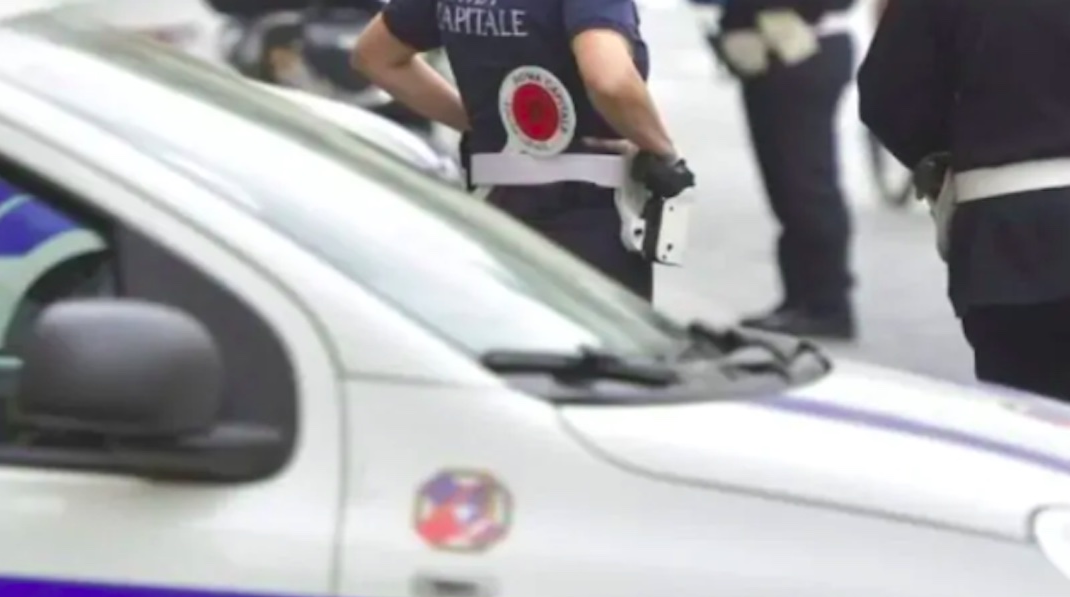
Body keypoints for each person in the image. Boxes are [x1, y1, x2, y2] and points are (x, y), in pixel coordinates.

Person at [348, 0, 693, 302]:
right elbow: (610, 79)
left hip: (493, 207)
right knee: (602, 367)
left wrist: (485, 125)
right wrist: (663, 151)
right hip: (588, 218)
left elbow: (375, 57)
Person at [859, 0, 1070, 401]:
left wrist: (956, 155)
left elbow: (887, 95)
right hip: (1007, 227)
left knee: (1026, 418)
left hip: (1006, 226)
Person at [707, 0, 857, 339]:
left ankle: (826, 304)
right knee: (787, 189)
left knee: (806, 186)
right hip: (768, 51)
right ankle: (801, 297)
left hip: (801, 45)